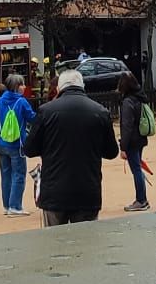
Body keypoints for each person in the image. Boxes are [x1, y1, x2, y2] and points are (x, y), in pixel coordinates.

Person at [23, 68, 119, 225]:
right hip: (88, 190)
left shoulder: (46, 111)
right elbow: (111, 152)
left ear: (59, 89)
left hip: (54, 190)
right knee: (86, 246)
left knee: (54, 244)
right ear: (83, 86)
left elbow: (29, 149)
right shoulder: (100, 112)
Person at [0, 73, 35, 217]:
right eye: (22, 84)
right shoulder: (21, 102)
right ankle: (15, 206)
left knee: (6, 175)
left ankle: (7, 206)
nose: (24, 87)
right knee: (19, 174)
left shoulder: (0, 101)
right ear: (17, 87)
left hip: (2, 143)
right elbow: (32, 118)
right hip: (17, 144)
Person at [116, 74, 150, 212]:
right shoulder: (140, 98)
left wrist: (123, 146)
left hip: (132, 140)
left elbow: (127, 126)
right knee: (138, 168)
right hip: (141, 137)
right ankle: (143, 199)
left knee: (136, 169)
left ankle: (141, 199)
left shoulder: (128, 102)